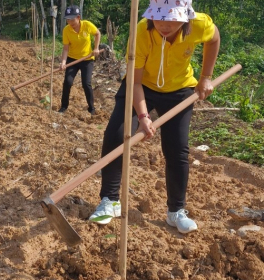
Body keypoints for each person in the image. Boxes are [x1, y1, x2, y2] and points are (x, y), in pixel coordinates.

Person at [89, 0, 220, 234]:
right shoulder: (141, 30)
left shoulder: (199, 24)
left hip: (179, 90)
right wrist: (142, 115)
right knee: (115, 135)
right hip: (143, 87)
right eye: (159, 17)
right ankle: (110, 201)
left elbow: (214, 38)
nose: (164, 25)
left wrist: (206, 77)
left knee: (177, 149)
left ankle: (176, 211)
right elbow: (135, 82)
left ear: (185, 17)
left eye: (172, 19)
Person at [58, 5, 100, 115]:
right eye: (67, 19)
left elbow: (97, 34)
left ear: (78, 17)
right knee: (67, 82)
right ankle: (63, 106)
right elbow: (66, 48)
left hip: (87, 59)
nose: (70, 22)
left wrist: (96, 48)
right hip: (72, 60)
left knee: (86, 84)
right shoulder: (66, 30)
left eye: (72, 19)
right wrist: (63, 62)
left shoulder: (87, 25)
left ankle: (91, 108)